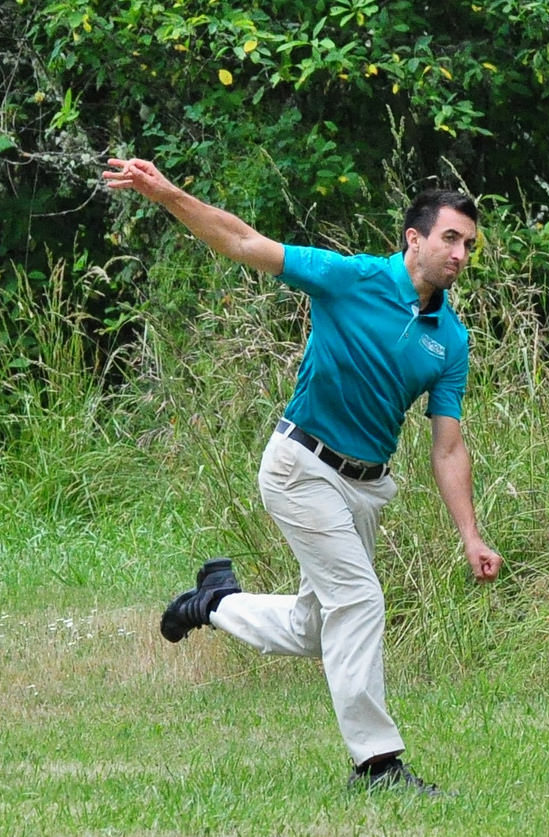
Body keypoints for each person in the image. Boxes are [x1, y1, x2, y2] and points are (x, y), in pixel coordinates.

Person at [102, 157, 502, 796]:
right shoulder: (350, 278)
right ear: (414, 239)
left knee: (318, 628)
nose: (459, 254)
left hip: (365, 487)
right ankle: (377, 765)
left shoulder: (450, 340)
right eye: (450, 238)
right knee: (361, 601)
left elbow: (448, 448)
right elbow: (240, 241)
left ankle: (214, 602)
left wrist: (470, 535)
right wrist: (166, 192)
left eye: (469, 245)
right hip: (299, 466)